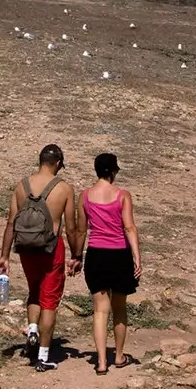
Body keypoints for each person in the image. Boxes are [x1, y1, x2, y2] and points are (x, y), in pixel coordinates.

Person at [0, 143, 82, 371]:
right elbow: (71, 228)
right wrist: (77, 254)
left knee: (34, 291)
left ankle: (32, 329)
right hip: (51, 249)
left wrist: (4, 256)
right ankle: (43, 357)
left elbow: (10, 223)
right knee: (49, 299)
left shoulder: (21, 186)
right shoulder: (64, 189)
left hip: (25, 248)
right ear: (59, 163)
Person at [76, 152, 141, 374]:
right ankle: (119, 355)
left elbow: (82, 229)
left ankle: (102, 362)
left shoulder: (85, 196)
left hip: (96, 255)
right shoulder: (122, 195)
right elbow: (129, 227)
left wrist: (76, 255)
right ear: (113, 172)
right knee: (120, 309)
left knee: (100, 311)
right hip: (119, 255)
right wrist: (137, 257)